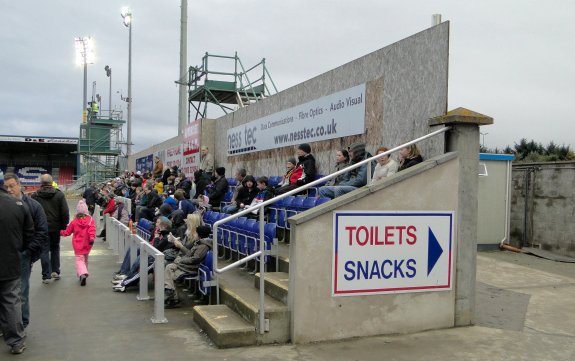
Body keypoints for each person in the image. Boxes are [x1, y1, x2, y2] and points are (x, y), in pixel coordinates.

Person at [3, 173, 47, 329]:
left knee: (21, 292)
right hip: (5, 255)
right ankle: (7, 325)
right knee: (6, 294)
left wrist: (28, 252)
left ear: (19, 185)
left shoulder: (34, 206)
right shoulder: (4, 205)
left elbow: (42, 231)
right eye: (6, 187)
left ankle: (22, 324)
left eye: (11, 186)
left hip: (22, 256)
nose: (8, 189)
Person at [0, 171, 35, 354]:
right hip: (10, 261)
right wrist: (19, 249)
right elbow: (30, 232)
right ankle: (16, 341)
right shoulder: (17, 204)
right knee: (11, 300)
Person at [32, 173, 69, 283]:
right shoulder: (59, 195)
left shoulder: (35, 196)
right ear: (51, 182)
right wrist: (63, 226)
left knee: (44, 250)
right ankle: (56, 271)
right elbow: (65, 212)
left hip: (41, 228)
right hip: (55, 227)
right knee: (55, 248)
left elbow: (32, 213)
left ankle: (46, 276)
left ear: (41, 183)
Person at [164, 225, 212, 308]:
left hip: (190, 268)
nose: (194, 235)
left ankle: (171, 295)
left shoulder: (203, 246)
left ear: (200, 235)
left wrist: (181, 260)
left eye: (196, 233)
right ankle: (171, 294)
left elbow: (194, 259)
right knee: (168, 267)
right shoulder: (199, 243)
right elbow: (190, 254)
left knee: (169, 272)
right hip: (186, 265)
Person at [60, 200, 96, 286]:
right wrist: (91, 238)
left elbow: (67, 232)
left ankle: (82, 274)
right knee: (85, 259)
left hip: (77, 244)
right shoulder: (90, 220)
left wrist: (59, 232)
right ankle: (83, 274)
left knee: (79, 260)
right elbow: (92, 230)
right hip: (87, 243)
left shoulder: (74, 221)